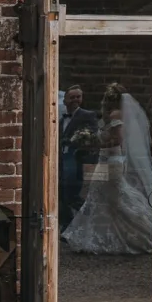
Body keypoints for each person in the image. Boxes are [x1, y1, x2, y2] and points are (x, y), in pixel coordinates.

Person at [63, 84, 152, 256]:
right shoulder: (114, 115)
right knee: (104, 199)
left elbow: (118, 140)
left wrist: (97, 144)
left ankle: (146, 232)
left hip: (112, 162)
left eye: (106, 97)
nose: (103, 100)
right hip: (106, 161)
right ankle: (103, 237)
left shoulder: (115, 115)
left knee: (114, 199)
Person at [57, 85, 100, 234]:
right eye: (72, 97)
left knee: (72, 194)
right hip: (61, 161)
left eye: (78, 97)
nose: (76, 100)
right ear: (65, 100)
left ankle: (88, 220)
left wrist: (76, 142)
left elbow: (93, 135)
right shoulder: (61, 119)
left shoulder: (87, 115)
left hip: (75, 160)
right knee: (61, 193)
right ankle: (67, 226)